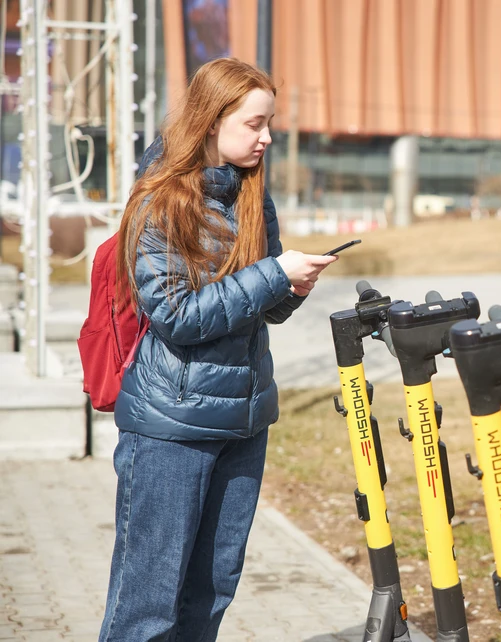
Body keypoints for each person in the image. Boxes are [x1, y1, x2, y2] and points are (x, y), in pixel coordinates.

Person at [98, 57, 337, 641]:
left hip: (244, 422)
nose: (268, 136)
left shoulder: (254, 197)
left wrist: (293, 283)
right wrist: (271, 276)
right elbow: (176, 316)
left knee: (210, 596)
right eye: (255, 123)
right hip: (170, 430)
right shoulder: (160, 201)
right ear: (211, 122)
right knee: (147, 606)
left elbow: (266, 308)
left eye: (271, 123)